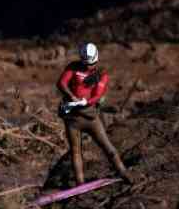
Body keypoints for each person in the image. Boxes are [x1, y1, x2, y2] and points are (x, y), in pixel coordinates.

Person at [55, 42, 132, 185]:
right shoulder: (73, 67)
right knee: (76, 151)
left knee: (107, 146)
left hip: (91, 117)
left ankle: (124, 173)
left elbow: (98, 94)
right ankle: (80, 184)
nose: (88, 67)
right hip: (73, 118)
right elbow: (61, 83)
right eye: (85, 64)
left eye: (91, 64)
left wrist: (86, 102)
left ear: (96, 60)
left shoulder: (101, 75)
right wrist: (71, 96)